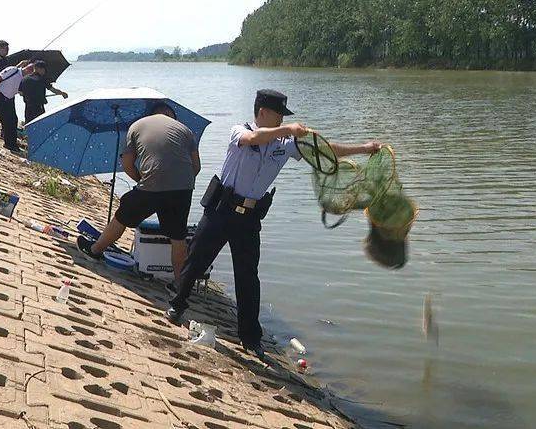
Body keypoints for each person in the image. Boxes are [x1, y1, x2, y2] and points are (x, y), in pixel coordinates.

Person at [165, 89, 380, 360]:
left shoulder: (284, 144)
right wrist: (288, 129)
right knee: (196, 260)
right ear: (263, 112)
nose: (282, 121)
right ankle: (177, 304)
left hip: (249, 219)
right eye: (279, 115)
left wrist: (364, 149)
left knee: (248, 278)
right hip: (221, 211)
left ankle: (251, 338)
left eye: (284, 118)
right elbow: (254, 138)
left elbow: (326, 151)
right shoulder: (239, 131)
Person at [77, 101, 201, 290]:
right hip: (183, 188)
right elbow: (196, 167)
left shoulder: (136, 126)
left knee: (123, 213)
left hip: (152, 183)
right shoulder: (185, 130)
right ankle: (180, 285)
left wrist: (142, 180)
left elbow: (127, 165)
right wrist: (178, 185)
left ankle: (95, 250)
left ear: (152, 114)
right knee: (178, 236)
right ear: (171, 115)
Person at [0, 60, 34, 153]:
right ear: (26, 67)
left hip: (9, 99)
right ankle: (9, 144)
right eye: (29, 69)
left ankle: (11, 143)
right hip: (0, 96)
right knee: (7, 121)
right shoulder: (13, 69)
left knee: (13, 120)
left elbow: (19, 91)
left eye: (32, 71)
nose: (30, 71)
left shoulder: (23, 79)